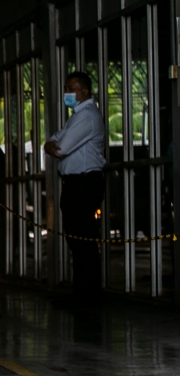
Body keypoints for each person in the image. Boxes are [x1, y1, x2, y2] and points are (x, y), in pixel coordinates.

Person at [43, 71, 106, 302]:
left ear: (84, 91)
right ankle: (82, 292)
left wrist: (52, 145)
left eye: (71, 88)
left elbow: (60, 147)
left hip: (84, 182)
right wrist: (50, 144)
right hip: (75, 183)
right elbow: (52, 139)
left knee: (83, 240)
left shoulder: (87, 115)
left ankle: (88, 295)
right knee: (76, 239)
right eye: (66, 88)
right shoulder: (76, 116)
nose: (67, 93)